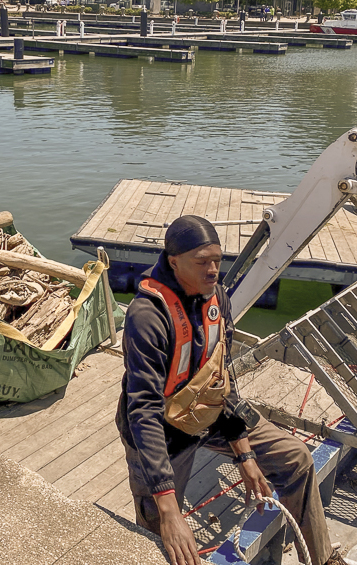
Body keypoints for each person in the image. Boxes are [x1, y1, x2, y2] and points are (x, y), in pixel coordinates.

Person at [116, 215, 340, 565]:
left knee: (296, 458)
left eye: (217, 260)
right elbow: (142, 410)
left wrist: (244, 453)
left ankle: (321, 559)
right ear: (174, 262)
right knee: (161, 533)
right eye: (201, 262)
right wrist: (168, 506)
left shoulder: (216, 296)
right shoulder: (148, 316)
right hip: (164, 430)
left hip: (212, 411)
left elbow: (221, 374)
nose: (213, 270)